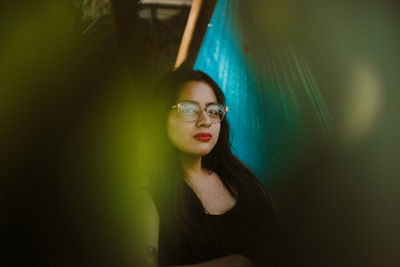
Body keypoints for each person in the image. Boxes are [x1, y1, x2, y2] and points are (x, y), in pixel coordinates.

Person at [135, 68, 280, 267]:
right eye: (188, 110)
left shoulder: (238, 173)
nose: (205, 121)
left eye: (213, 110)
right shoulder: (149, 195)